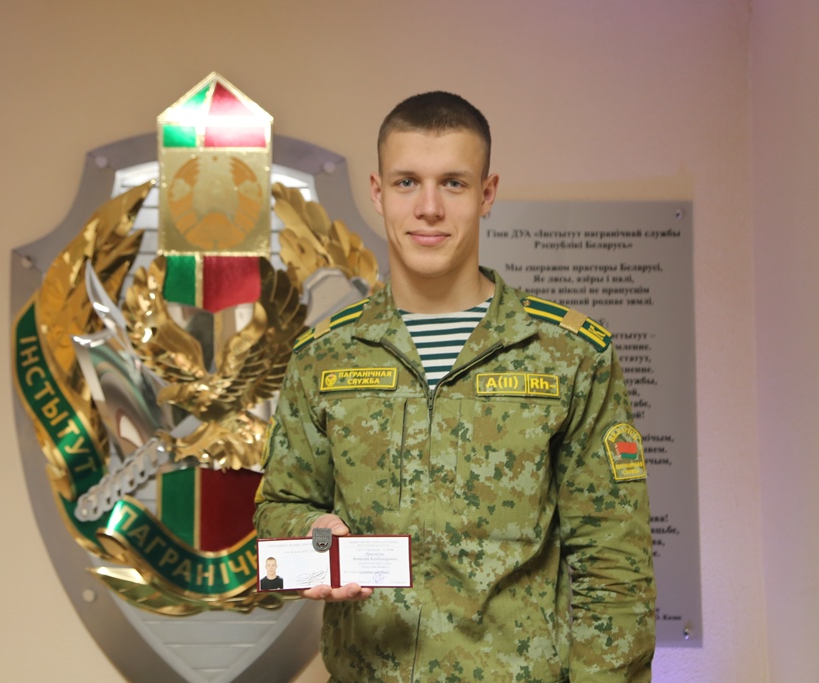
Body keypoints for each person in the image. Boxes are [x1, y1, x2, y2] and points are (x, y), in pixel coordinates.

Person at [254, 91, 656, 682]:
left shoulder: (568, 355)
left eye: (453, 183)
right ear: (377, 192)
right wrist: (312, 538)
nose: (429, 208)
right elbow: (280, 508)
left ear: (486, 194)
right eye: (407, 183)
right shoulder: (324, 356)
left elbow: (615, 567)